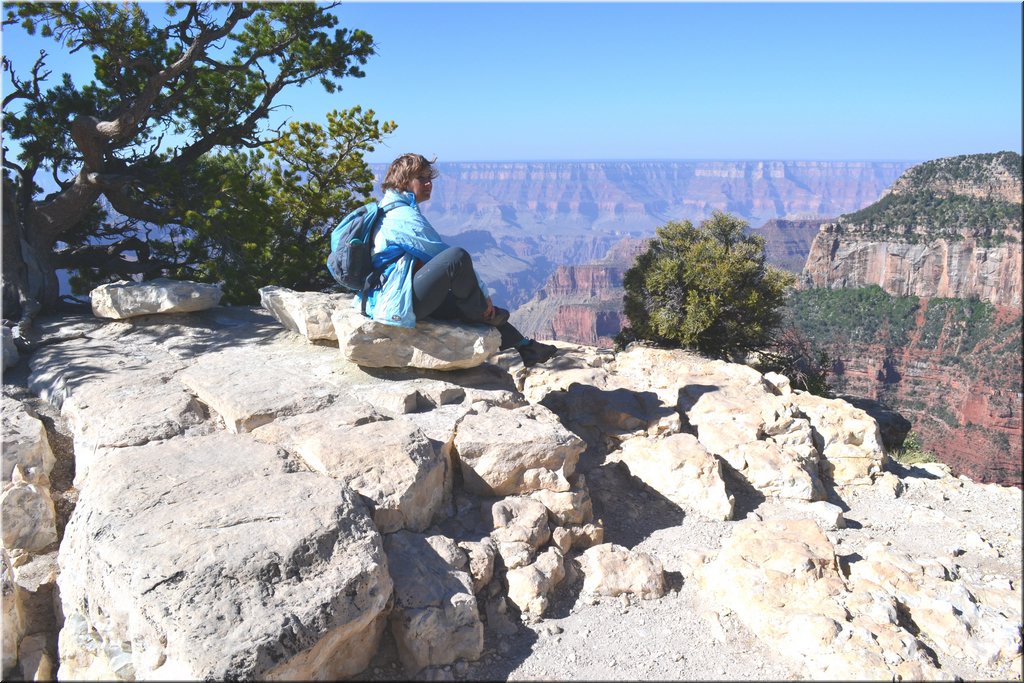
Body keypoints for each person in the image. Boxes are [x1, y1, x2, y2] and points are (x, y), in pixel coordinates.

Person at [359, 153, 558, 367]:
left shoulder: (389, 208)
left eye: (430, 178)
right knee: (457, 258)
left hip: (390, 295)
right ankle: (485, 313)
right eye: (421, 178)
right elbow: (442, 256)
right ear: (403, 181)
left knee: (464, 303)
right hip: (395, 302)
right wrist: (483, 293)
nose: (429, 184)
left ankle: (526, 347)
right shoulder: (402, 217)